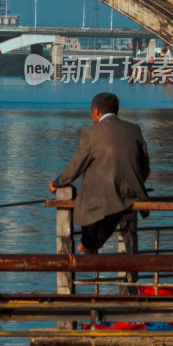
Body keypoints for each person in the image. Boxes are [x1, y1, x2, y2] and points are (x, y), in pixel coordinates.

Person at [48, 92, 150, 254]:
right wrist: (135, 184)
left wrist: (57, 183)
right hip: (131, 193)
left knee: (89, 198)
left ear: (96, 111)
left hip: (103, 198)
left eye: (91, 111)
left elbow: (77, 166)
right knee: (113, 202)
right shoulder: (134, 129)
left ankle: (88, 246)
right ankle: (91, 246)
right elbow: (144, 167)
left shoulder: (91, 133)